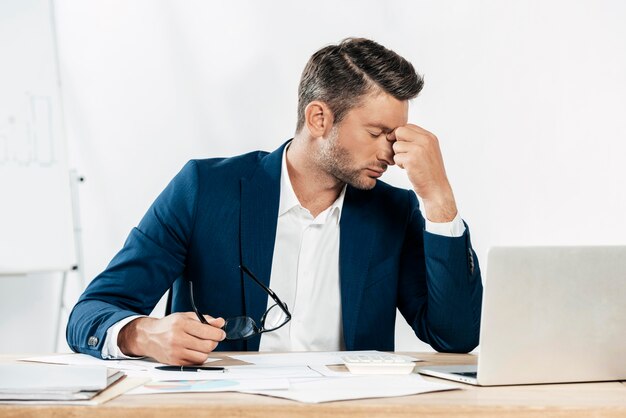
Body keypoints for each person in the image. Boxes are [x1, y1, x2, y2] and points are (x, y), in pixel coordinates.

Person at [67, 38, 483, 365]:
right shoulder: (204, 189)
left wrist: (439, 199)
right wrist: (143, 334)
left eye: (396, 137)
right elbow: (91, 312)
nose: (390, 153)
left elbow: (455, 336)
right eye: (377, 133)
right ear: (319, 119)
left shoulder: (395, 211)